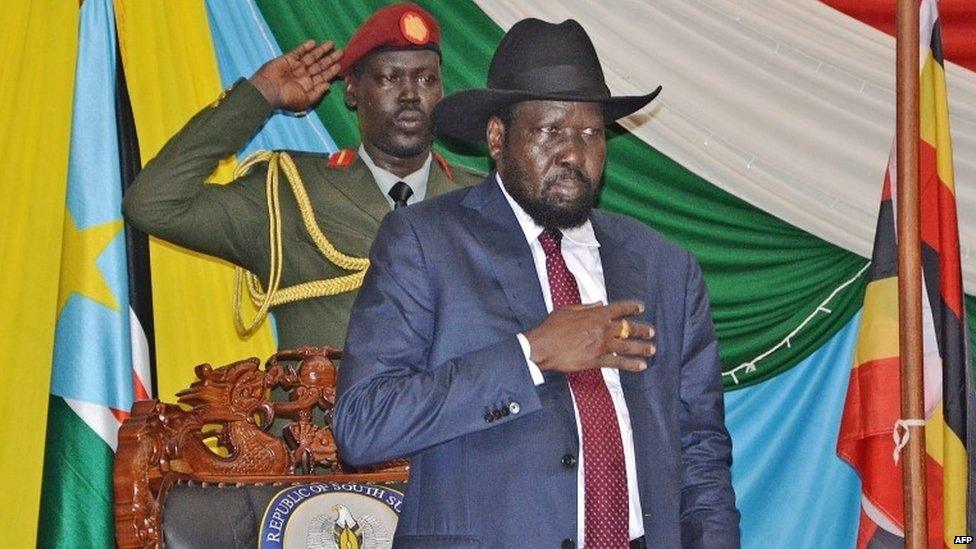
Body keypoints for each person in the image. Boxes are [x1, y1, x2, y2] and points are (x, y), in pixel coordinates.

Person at [333, 18, 740, 549]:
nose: (573, 154)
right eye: (550, 131)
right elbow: (364, 424)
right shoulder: (425, 241)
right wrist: (532, 353)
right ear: (498, 137)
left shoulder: (665, 267)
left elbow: (700, 448)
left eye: (590, 133)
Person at [122, 3, 482, 351]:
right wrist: (260, 95)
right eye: (389, 78)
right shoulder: (287, 195)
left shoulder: (486, 200)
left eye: (426, 79)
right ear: (352, 90)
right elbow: (153, 204)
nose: (410, 94)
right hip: (324, 412)